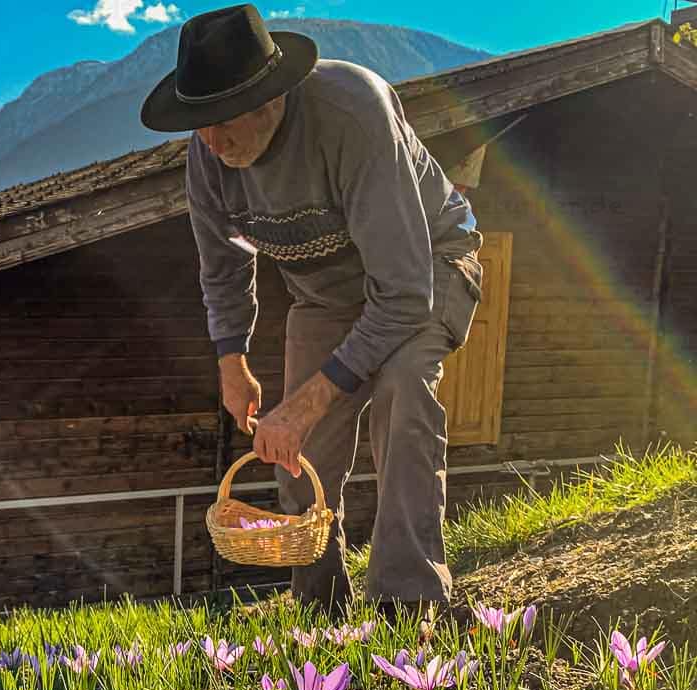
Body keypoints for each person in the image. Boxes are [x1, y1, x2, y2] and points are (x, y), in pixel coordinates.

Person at [141, 4, 483, 621]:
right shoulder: (207, 156)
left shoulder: (352, 112)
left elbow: (403, 296)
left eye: (220, 122)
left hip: (427, 269)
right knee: (293, 453)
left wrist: (305, 403)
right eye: (198, 125)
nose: (212, 142)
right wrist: (231, 359)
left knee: (403, 393)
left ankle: (407, 603)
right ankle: (320, 608)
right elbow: (222, 267)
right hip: (325, 298)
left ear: (268, 97)